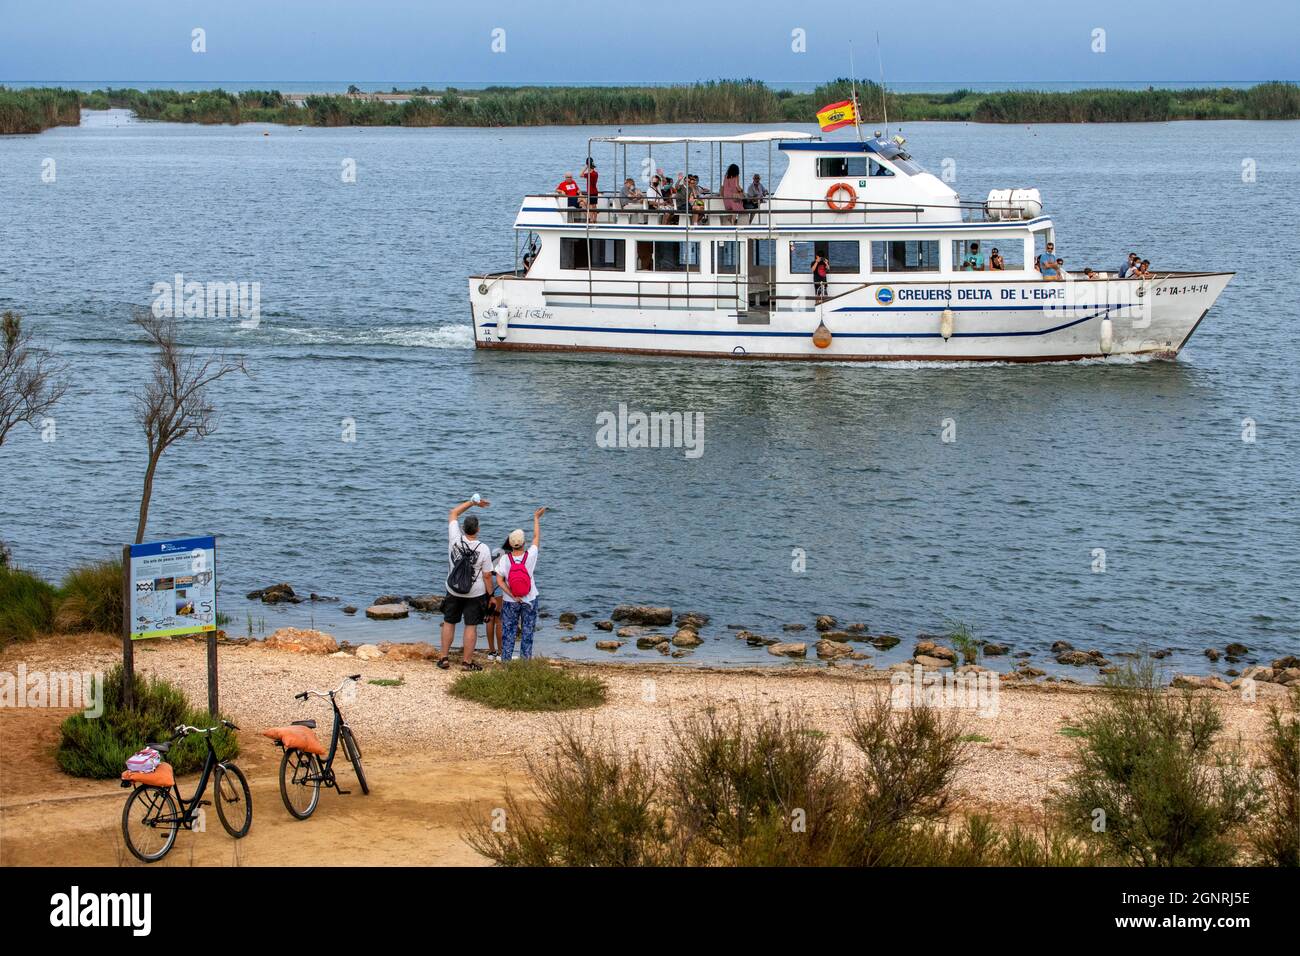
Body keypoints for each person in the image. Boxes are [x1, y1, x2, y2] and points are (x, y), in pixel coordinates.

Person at [439, 497, 494, 671]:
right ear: (478, 530)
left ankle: (444, 659)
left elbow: (453, 512)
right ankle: (466, 663)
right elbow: (486, 576)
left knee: (449, 622)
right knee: (471, 626)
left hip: (453, 589)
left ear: (462, 528)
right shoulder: (483, 548)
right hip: (474, 593)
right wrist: (490, 596)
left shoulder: (455, 539)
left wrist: (473, 502)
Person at [497, 507, 546, 661]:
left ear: (510, 544)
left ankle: (506, 662)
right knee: (527, 631)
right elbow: (537, 537)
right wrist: (536, 518)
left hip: (511, 601)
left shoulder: (505, 559)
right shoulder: (530, 555)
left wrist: (512, 594)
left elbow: (499, 580)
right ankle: (525, 663)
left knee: (509, 631)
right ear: (523, 543)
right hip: (530, 598)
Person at [483, 547, 504, 662]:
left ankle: (491, 652)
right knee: (499, 621)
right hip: (500, 593)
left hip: (489, 591)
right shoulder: (503, 566)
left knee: (490, 619)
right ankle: (501, 652)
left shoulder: (489, 567)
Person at [580, 158, 599, 223]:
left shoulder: (589, 174)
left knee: (591, 206)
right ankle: (595, 219)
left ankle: (591, 219)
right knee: (594, 206)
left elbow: (581, 175)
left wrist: (585, 167)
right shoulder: (595, 173)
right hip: (595, 191)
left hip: (590, 192)